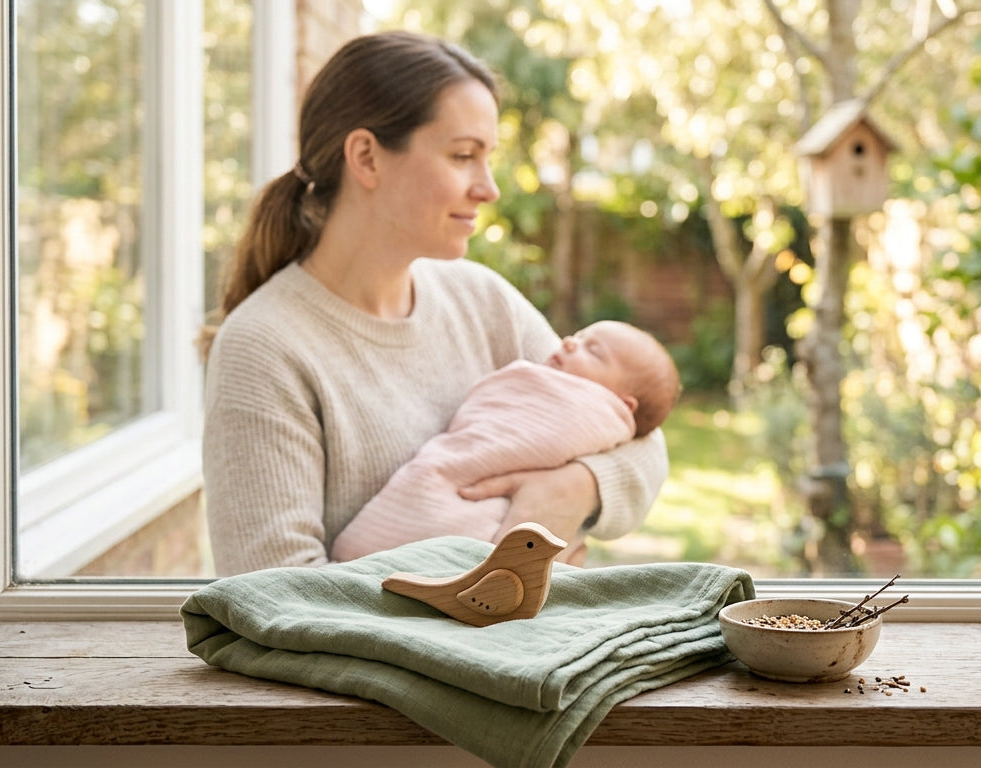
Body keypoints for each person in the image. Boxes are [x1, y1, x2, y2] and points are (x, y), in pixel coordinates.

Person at [200, 31, 669, 576]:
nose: (489, 188)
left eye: (487, 158)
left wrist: (570, 491)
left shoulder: (483, 301)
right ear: (367, 158)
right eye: (464, 156)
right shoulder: (264, 350)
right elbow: (272, 597)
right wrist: (469, 587)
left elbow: (639, 433)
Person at [330, 320, 681, 564]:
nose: (568, 342)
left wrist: (572, 488)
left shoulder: (598, 410)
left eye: (594, 351)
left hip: (490, 528)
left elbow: (649, 445)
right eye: (577, 335)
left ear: (622, 404)